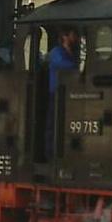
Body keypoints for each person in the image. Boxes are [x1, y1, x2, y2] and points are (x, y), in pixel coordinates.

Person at [45, 27, 80, 158]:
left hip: (69, 93)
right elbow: (64, 65)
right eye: (73, 34)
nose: (75, 38)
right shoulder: (57, 52)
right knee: (52, 124)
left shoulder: (71, 52)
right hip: (56, 92)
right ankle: (50, 153)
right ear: (65, 36)